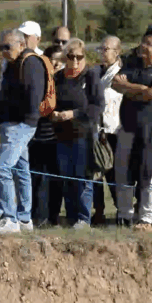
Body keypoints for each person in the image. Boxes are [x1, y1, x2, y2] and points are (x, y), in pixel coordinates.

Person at [112, 26, 152, 231]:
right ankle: (124, 215)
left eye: (149, 44)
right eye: (143, 41)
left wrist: (131, 88)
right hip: (128, 127)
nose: (143, 46)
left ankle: (146, 217)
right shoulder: (132, 64)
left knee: (148, 175)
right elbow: (115, 84)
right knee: (122, 173)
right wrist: (142, 89)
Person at [0, 29, 45, 233]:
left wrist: (21, 120)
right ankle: (24, 219)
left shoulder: (30, 63)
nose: (3, 51)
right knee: (22, 171)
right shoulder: (12, 65)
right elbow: (8, 97)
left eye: (7, 47)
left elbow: (33, 97)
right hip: (11, 123)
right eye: (1, 47)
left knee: (1, 168)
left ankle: (10, 218)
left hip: (21, 124)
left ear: (22, 45)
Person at [52, 39, 103, 229]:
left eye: (79, 57)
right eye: (71, 57)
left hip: (84, 135)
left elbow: (97, 106)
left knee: (83, 178)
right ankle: (71, 216)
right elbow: (51, 101)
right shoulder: (58, 78)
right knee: (67, 177)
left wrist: (72, 114)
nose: (75, 61)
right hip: (62, 135)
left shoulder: (90, 77)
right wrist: (54, 114)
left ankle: (84, 218)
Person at [28, 42, 65, 227]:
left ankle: (53, 216)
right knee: (36, 178)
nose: (57, 64)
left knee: (55, 180)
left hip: (58, 137)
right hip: (37, 135)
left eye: (60, 60)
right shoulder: (39, 79)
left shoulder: (65, 82)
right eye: (53, 60)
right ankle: (37, 215)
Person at [92, 36, 123, 224]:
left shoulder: (121, 74)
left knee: (114, 174)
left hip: (115, 131)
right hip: (97, 130)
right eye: (100, 49)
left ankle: (122, 209)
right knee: (96, 173)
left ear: (116, 52)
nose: (102, 53)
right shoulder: (96, 73)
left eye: (106, 49)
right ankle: (99, 211)